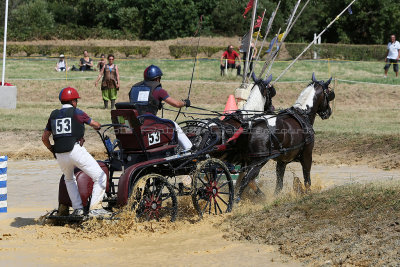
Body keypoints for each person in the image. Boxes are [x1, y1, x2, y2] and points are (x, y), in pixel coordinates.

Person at [41, 87, 107, 216]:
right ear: (73, 101)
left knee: (69, 179)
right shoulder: (77, 113)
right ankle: (95, 208)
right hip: (75, 150)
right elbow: (96, 125)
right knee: (100, 176)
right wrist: (96, 126)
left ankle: (78, 209)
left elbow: (44, 138)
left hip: (60, 154)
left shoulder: (53, 115)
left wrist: (52, 149)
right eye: (76, 100)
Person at [128, 65, 193, 152]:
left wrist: (155, 103)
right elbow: (176, 104)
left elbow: (140, 103)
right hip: (149, 122)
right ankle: (189, 149)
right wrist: (185, 103)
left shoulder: (134, 88)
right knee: (173, 125)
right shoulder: (158, 90)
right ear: (157, 78)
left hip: (135, 122)